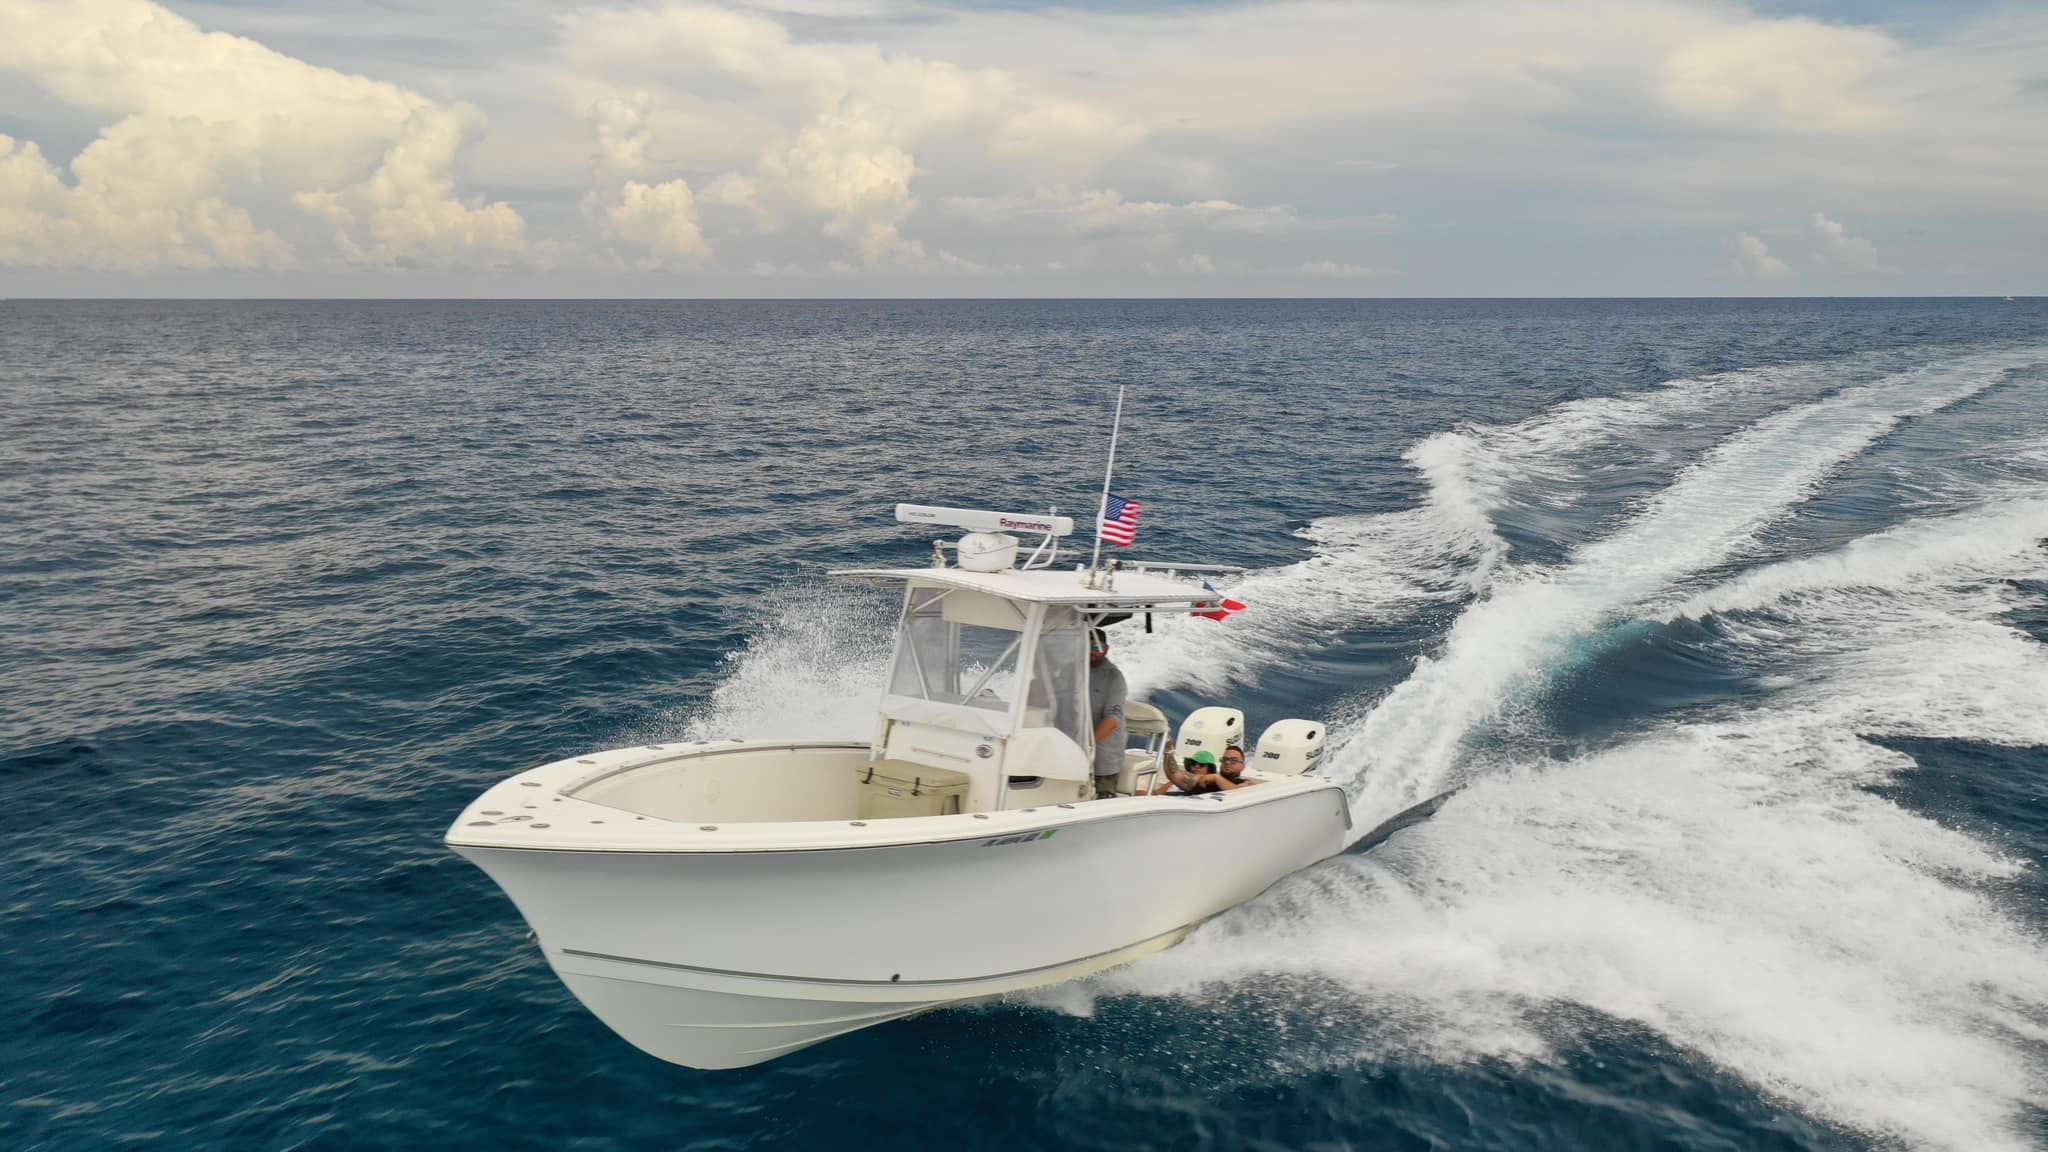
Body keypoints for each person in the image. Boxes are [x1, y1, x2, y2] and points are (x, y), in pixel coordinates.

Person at [1088, 628, 1127, 798]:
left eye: (1096, 647)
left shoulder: (1114, 677)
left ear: (1106, 649)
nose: (1091, 652)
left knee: (1098, 803)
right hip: (1070, 753)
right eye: (1085, 646)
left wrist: (1087, 747)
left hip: (1103, 760)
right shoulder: (1070, 671)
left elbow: (1112, 720)